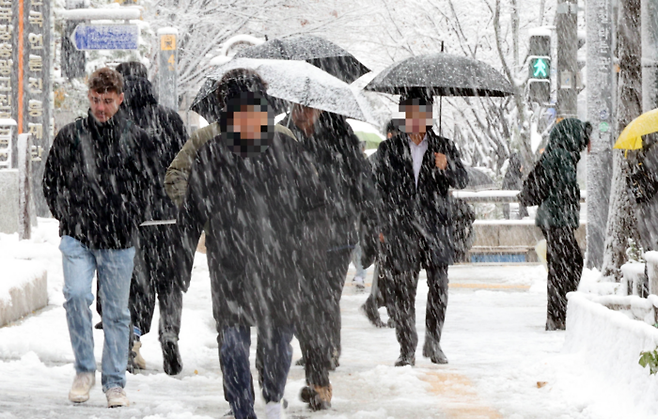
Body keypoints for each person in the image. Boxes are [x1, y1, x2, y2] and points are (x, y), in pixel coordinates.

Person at [176, 69, 328, 419]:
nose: (249, 117)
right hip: (230, 266)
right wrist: (180, 265)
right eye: (240, 111)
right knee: (231, 345)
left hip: (281, 265)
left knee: (277, 343)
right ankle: (242, 409)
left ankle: (273, 399)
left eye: (255, 109)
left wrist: (310, 252)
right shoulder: (212, 154)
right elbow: (192, 214)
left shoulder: (287, 149)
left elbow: (317, 206)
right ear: (227, 114)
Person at [42, 67, 157, 407]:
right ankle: (84, 369)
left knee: (117, 314)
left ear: (120, 99)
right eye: (96, 100)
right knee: (76, 296)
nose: (101, 107)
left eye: (108, 101)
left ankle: (115, 382)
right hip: (78, 234)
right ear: (88, 98)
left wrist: (128, 215)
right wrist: (68, 214)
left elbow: (149, 186)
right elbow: (51, 181)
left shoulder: (137, 138)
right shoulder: (71, 136)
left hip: (119, 239)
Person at [280, 105, 371, 410]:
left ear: (318, 107)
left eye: (305, 108)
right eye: (294, 107)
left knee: (322, 302)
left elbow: (362, 181)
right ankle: (318, 374)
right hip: (298, 235)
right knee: (305, 307)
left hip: (337, 234)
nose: (299, 113)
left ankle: (321, 374)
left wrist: (369, 223)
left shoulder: (340, 134)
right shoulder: (283, 135)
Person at [372, 90, 468, 367]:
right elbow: (378, 189)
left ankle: (433, 342)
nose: (415, 119)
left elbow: (462, 179)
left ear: (428, 115)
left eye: (421, 113)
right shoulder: (389, 149)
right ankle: (407, 348)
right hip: (402, 228)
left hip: (436, 228)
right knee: (403, 291)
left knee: (439, 287)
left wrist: (447, 166)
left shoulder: (444, 147)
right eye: (410, 113)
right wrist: (380, 223)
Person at [112, 61, 189, 375]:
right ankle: (169, 333)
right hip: (169, 216)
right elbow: (186, 161)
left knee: (136, 284)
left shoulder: (118, 121)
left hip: (133, 218)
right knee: (170, 282)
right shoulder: (170, 117)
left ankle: (132, 339)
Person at [518, 118, 591, 331]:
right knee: (565, 266)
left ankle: (559, 313)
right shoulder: (559, 155)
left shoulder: (565, 155)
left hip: (560, 221)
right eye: (585, 138)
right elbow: (543, 183)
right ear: (573, 136)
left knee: (566, 265)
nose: (587, 144)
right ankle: (557, 315)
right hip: (555, 221)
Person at [360, 119, 398, 328]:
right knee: (389, 268)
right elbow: (376, 196)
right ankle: (385, 307)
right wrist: (380, 226)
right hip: (385, 222)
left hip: (390, 221)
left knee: (388, 268)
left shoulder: (387, 158)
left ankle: (377, 303)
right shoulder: (382, 160)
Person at [502, 152, 528, 219]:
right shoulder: (513, 178)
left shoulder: (513, 176)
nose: (523, 167)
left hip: (515, 213)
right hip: (514, 213)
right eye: (521, 164)